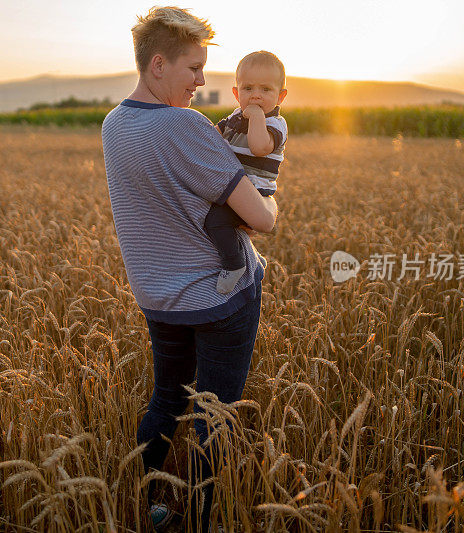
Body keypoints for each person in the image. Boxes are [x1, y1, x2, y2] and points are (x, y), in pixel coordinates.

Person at [100, 6, 277, 532]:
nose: (203, 81)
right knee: (213, 420)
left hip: (157, 297)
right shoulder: (185, 126)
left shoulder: (115, 123)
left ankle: (146, 501)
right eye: (193, 69)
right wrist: (271, 188)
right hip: (220, 301)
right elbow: (261, 220)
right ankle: (202, 520)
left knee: (166, 398)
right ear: (158, 65)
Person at [207, 51, 288, 294]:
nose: (255, 95)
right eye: (248, 88)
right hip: (235, 185)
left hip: (254, 189)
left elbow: (260, 147)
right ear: (236, 93)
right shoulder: (234, 116)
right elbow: (212, 136)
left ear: (280, 97)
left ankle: (235, 264)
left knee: (217, 221)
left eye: (265, 89)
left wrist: (255, 117)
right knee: (225, 224)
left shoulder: (275, 124)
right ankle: (252, 259)